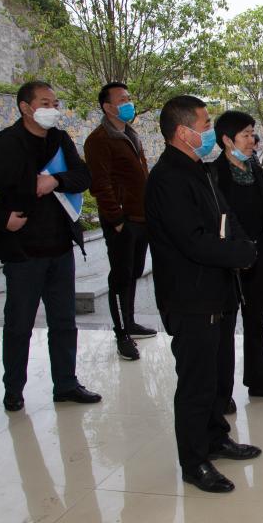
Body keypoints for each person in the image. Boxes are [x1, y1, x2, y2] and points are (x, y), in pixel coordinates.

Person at [146, 95, 261, 493]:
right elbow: (193, 240)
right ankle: (194, 462)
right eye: (206, 124)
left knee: (215, 376)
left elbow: (227, 218)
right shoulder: (168, 178)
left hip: (217, 290)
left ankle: (215, 438)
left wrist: (245, 245)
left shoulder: (200, 169)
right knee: (196, 383)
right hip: (190, 296)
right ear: (183, 132)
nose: (210, 130)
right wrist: (241, 254)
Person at [0, 80, 102, 413]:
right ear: (26, 108)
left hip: (60, 247)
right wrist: (3, 219)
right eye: (45, 103)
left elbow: (83, 177)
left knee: (64, 322)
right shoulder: (9, 143)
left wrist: (55, 180)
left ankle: (66, 384)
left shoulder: (59, 140)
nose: (52, 110)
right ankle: (13, 390)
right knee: (19, 325)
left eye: (55, 103)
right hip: (24, 252)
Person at [211, 110, 263, 402]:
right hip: (231, 260)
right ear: (227, 140)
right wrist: (240, 244)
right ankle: (222, 393)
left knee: (257, 323)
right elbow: (221, 218)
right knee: (225, 329)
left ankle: (259, 381)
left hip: (258, 257)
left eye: (253, 133)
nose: (253, 139)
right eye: (245, 134)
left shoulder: (254, 166)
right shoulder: (215, 174)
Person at [84, 82, 156, 362]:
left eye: (129, 98)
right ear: (107, 107)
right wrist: (116, 218)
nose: (128, 103)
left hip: (141, 217)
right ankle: (122, 334)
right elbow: (100, 184)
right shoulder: (99, 139)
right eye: (122, 99)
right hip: (123, 221)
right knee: (120, 276)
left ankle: (130, 322)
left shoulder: (129, 134)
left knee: (134, 272)